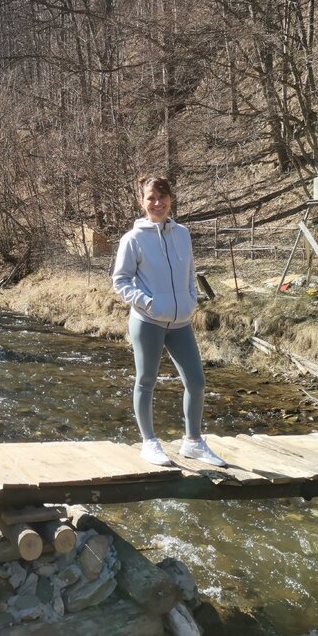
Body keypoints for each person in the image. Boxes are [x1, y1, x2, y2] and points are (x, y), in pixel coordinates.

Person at [112, 176, 226, 467]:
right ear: (142, 202)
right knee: (146, 381)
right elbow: (120, 281)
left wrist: (190, 300)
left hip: (181, 322)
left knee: (196, 382)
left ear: (170, 199)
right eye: (151, 198)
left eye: (162, 197)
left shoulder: (182, 234)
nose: (157, 203)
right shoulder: (133, 239)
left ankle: (193, 442)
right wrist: (149, 303)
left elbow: (190, 271)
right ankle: (149, 442)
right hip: (147, 321)